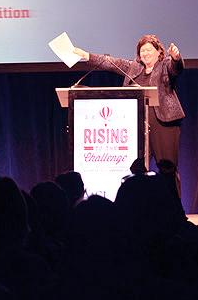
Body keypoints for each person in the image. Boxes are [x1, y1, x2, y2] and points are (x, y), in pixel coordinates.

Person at [74, 34, 185, 194]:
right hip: (137, 124)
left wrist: (176, 57)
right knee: (137, 170)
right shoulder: (133, 67)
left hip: (163, 123)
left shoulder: (165, 64)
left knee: (168, 169)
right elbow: (110, 62)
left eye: (149, 50)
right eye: (142, 51)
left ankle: (174, 211)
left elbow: (177, 68)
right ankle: (138, 209)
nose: (145, 53)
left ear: (158, 51)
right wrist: (86, 55)